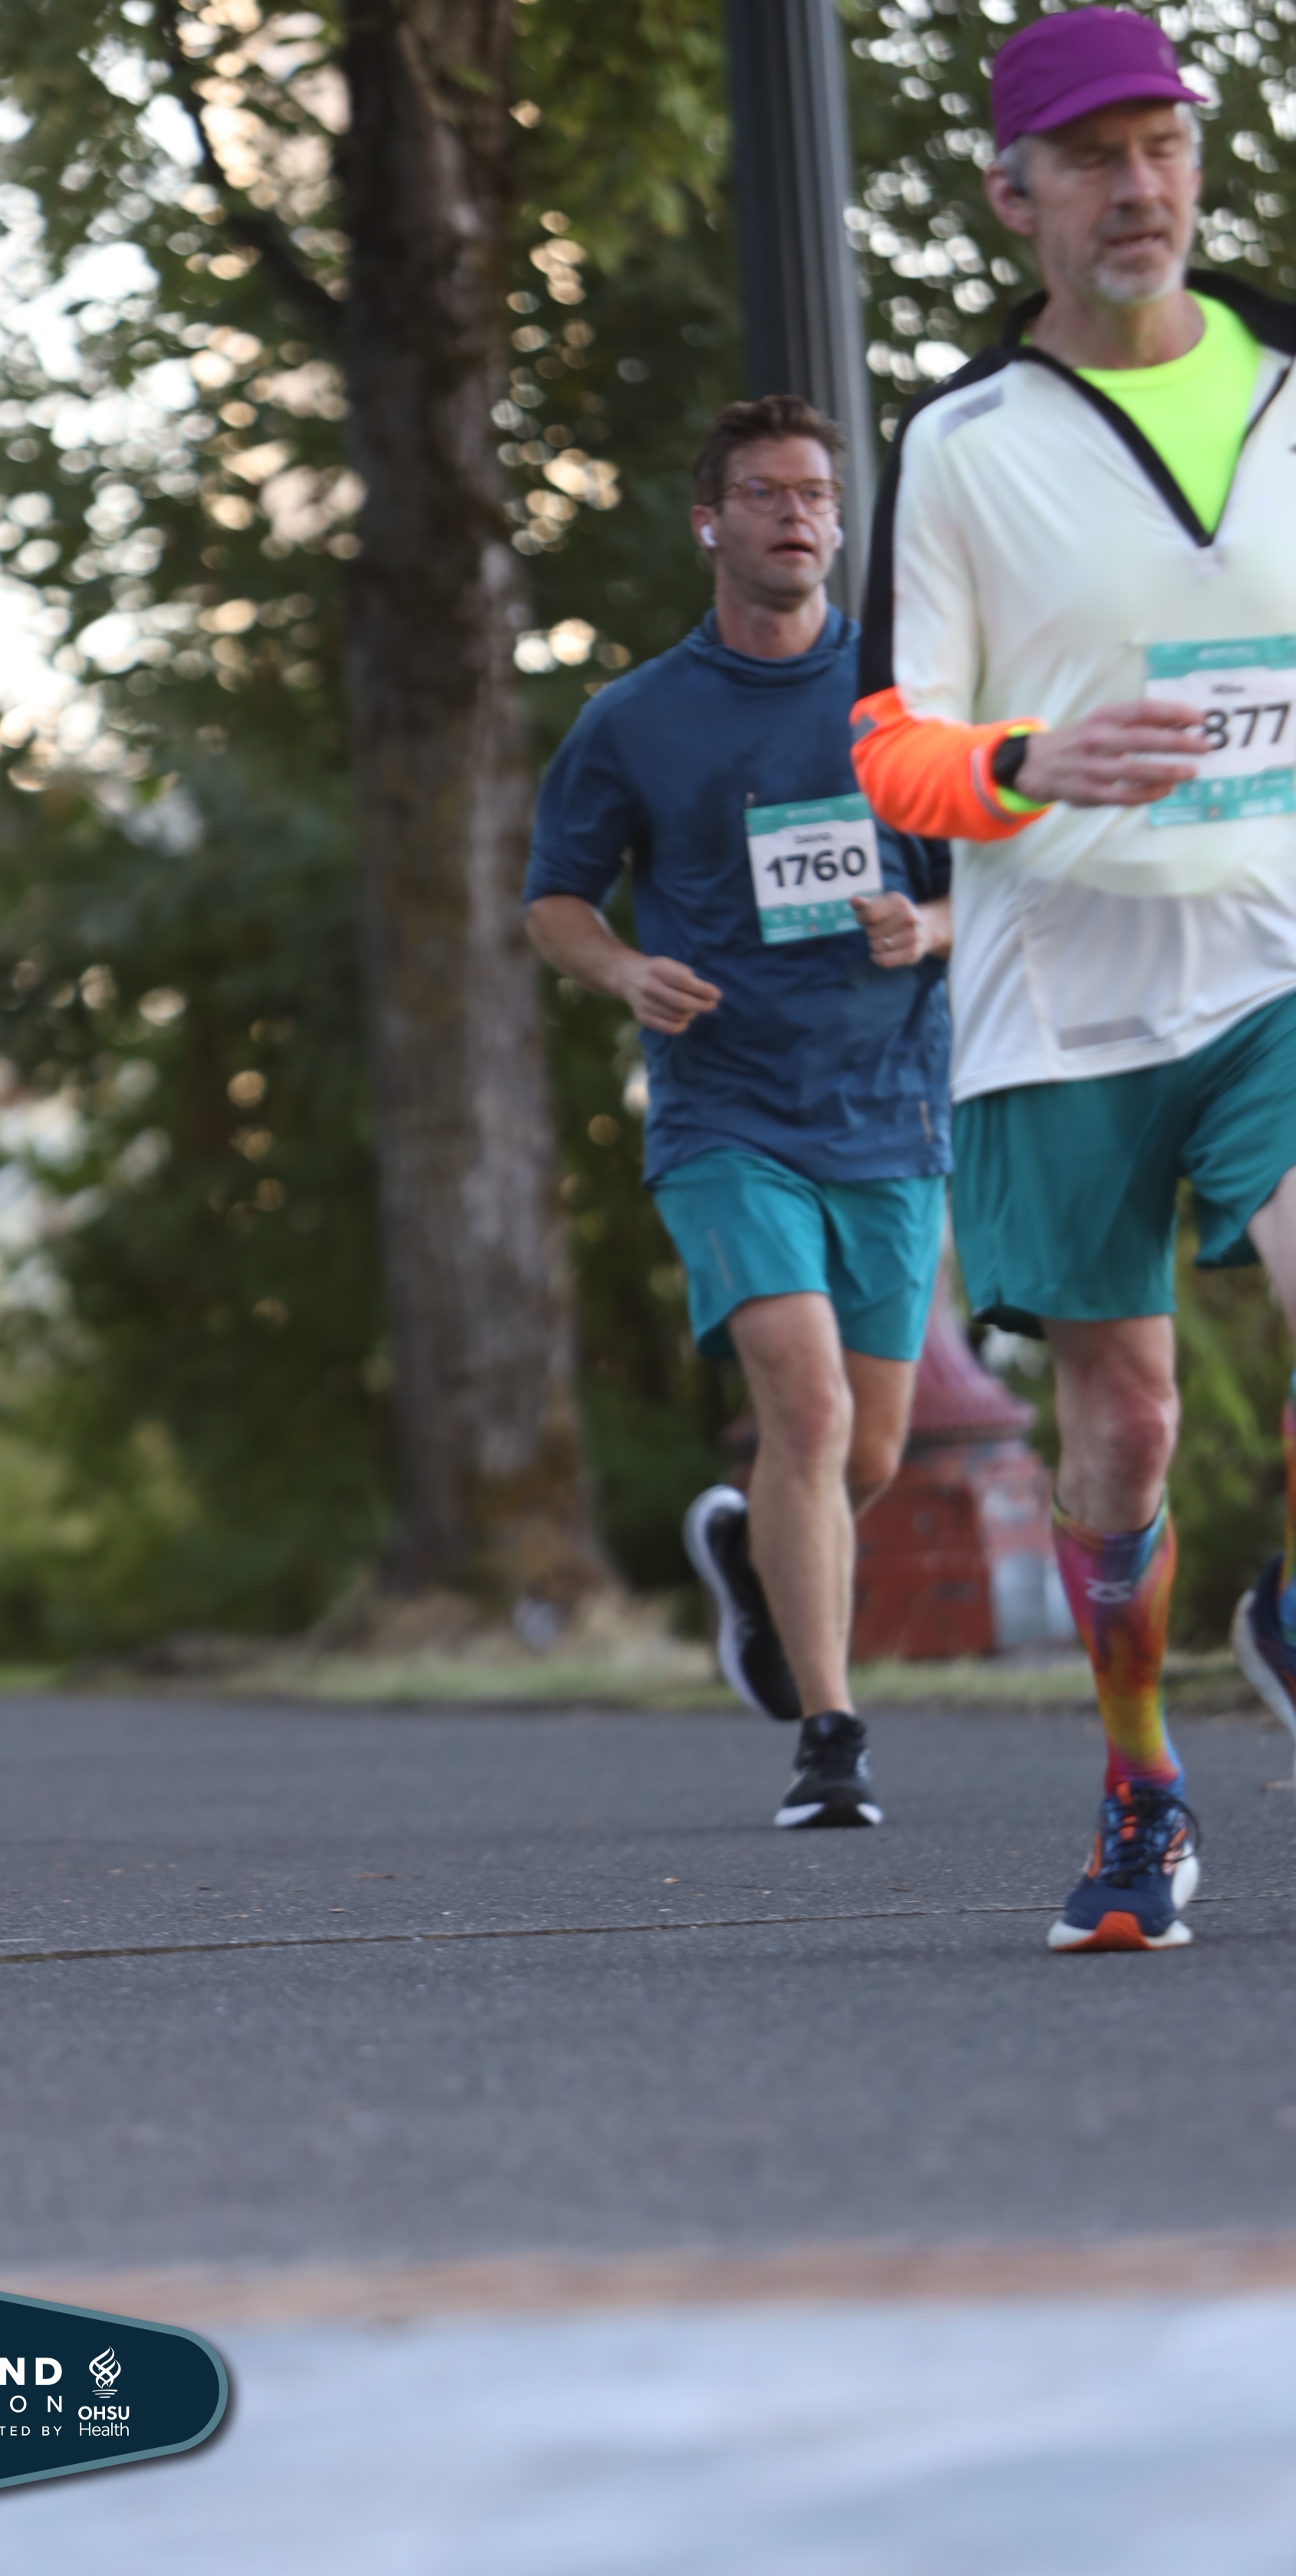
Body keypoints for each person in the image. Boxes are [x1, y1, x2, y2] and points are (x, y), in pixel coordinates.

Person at [853, 5, 1296, 1949]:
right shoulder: (959, 448)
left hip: (1273, 949)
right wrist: (1034, 762)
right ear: (1010, 195)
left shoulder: (1287, 389)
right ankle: (1142, 1794)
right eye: (1095, 157)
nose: (1139, 187)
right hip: (1058, 994)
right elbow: (892, 754)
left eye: (1163, 147)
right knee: (1122, 1430)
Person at [524, 393, 952, 1829]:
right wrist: (625, 970)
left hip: (889, 1107)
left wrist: (927, 928)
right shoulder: (636, 719)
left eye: (817, 494)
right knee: (807, 1406)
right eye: (766, 493)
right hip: (728, 1114)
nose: (797, 516)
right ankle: (831, 1738)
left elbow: (1000, 882)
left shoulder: (907, 698)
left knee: (865, 1454)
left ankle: (763, 1577)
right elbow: (555, 903)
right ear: (711, 522)